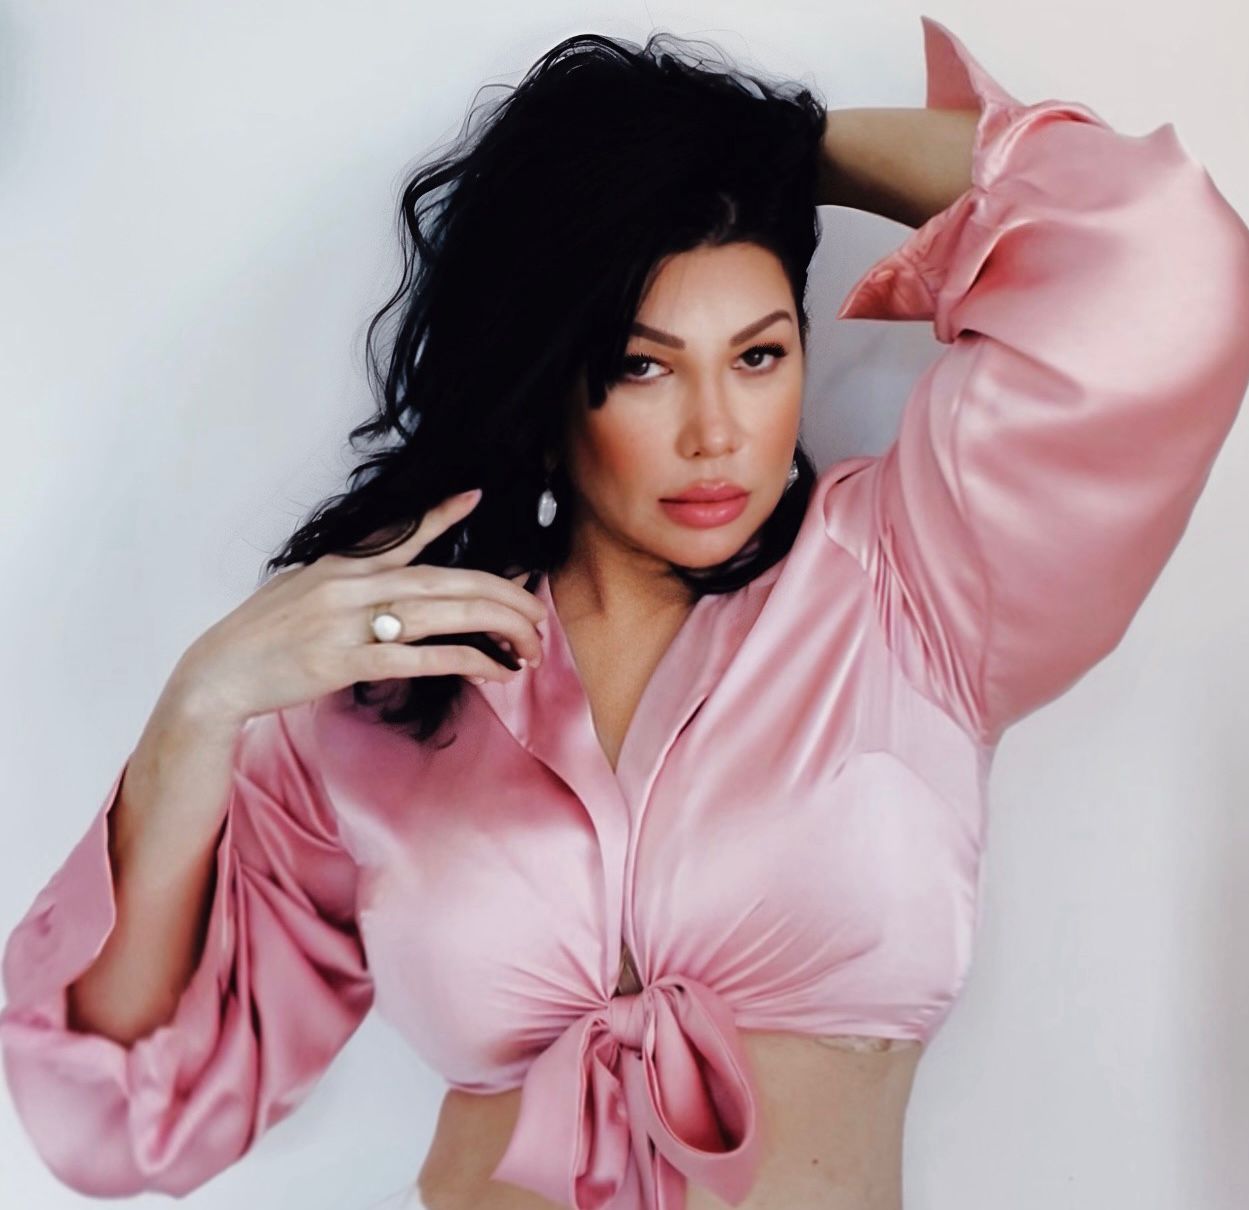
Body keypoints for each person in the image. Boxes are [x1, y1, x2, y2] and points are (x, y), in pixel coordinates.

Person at [3, 13, 1248, 1210]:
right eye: (643, 365)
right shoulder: (389, 686)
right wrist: (203, 702)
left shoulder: (911, 583)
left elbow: (1160, 265)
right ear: (554, 381)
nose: (715, 432)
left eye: (758, 356)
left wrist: (763, 148)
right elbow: (127, 1099)